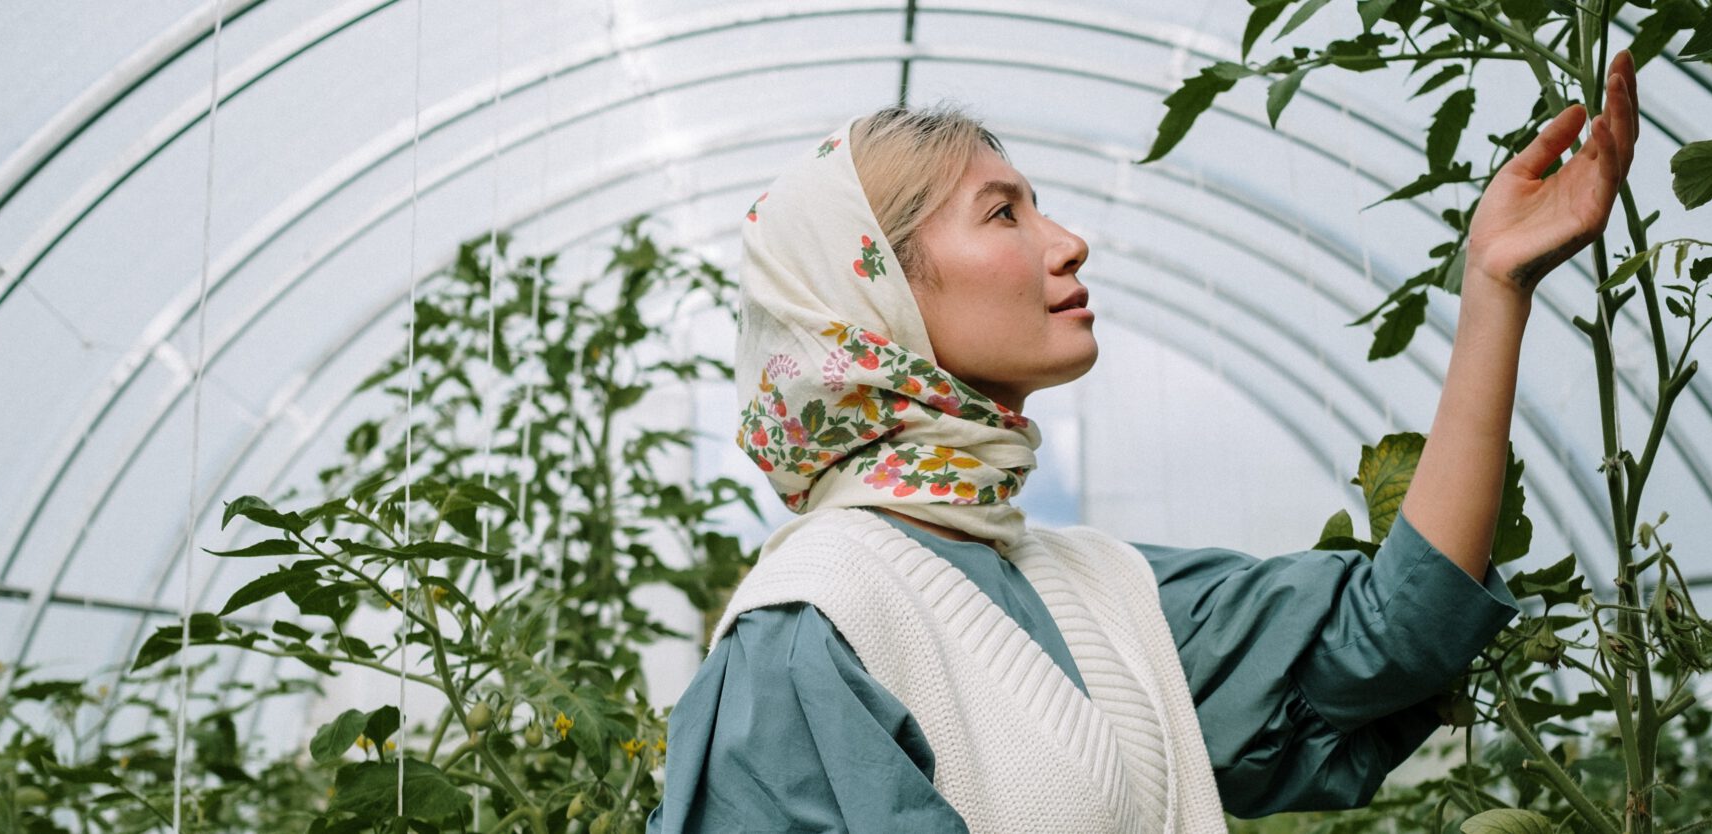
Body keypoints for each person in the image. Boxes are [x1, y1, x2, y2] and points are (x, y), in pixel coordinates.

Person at [649, 50, 1640, 832]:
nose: (1066, 239)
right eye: (1002, 212)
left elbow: (1393, 631)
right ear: (879, 295)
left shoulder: (1095, 590)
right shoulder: (817, 627)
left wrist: (1494, 288)